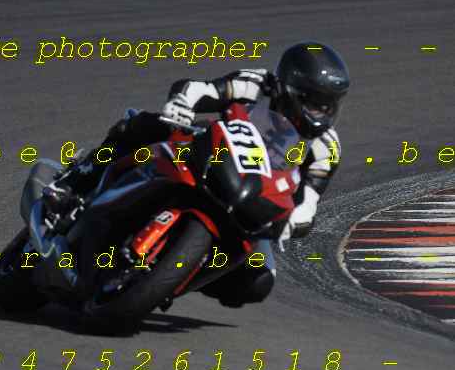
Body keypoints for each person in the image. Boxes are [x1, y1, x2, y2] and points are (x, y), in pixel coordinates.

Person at [42, 41, 350, 307]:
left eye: (328, 105)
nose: (322, 111)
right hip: (212, 154)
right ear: (290, 89)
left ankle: (176, 276)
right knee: (142, 125)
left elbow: (310, 199)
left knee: (258, 280)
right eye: (314, 102)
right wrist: (182, 105)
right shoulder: (256, 84)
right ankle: (75, 181)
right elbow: (200, 90)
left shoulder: (327, 147)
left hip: (256, 199)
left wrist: (295, 221)